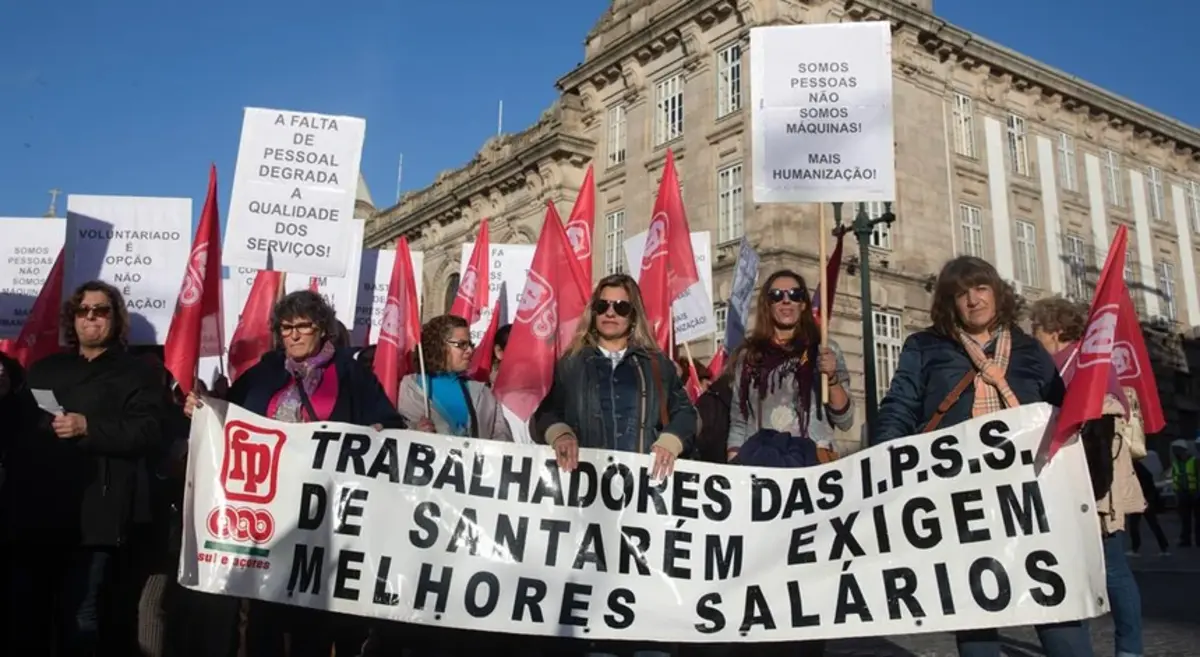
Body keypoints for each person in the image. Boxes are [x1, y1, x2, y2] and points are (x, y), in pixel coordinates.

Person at [874, 257, 1092, 657]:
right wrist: (884, 462)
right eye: (961, 294)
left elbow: (1060, 414)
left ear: (997, 293)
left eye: (981, 289)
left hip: (1029, 495)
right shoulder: (925, 347)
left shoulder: (1029, 350)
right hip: (959, 495)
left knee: (1056, 605)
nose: (973, 300)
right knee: (975, 610)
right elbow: (900, 406)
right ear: (949, 303)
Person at [184, 290, 405, 657]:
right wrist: (202, 407)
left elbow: (389, 424)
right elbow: (229, 419)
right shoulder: (263, 373)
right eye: (286, 328)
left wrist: (379, 431)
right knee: (263, 615)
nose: (294, 335)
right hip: (269, 513)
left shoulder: (351, 374)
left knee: (311, 620)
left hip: (322, 515)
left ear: (323, 330)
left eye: (304, 326)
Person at [532, 273, 696, 657]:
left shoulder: (656, 364)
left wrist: (672, 438)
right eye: (603, 305)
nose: (611, 313)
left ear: (633, 313)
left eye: (620, 306)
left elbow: (687, 412)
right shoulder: (573, 364)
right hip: (589, 503)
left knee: (645, 597)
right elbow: (545, 412)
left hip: (645, 503)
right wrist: (560, 432)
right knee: (594, 600)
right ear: (593, 311)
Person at [2, 280, 168, 657]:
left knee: (81, 618)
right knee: (26, 617)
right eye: (83, 311)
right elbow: (16, 427)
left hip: (97, 519)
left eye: (101, 310)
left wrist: (89, 428)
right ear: (72, 319)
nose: (90, 317)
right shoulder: (45, 369)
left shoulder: (137, 373)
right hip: (37, 515)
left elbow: (148, 431)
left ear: (116, 319)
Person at [1030, 296, 1145, 657]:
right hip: (1074, 474)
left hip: (1097, 477)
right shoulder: (1058, 364)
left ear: (1055, 330)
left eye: (1037, 331)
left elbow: (1108, 410)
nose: (1035, 338)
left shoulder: (1085, 360)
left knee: (1111, 566)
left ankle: (1129, 649)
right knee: (1074, 564)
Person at [726, 269, 853, 472]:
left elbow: (845, 420)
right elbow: (739, 421)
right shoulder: (749, 356)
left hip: (814, 467)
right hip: (762, 465)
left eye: (795, 295)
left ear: (803, 304)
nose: (786, 301)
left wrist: (831, 378)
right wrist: (734, 469)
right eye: (777, 296)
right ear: (767, 305)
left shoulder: (825, 349)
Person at [398, 314, 512, 441]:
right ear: (439, 345)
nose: (469, 350)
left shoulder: (483, 392)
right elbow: (396, 437)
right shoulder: (410, 388)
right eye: (462, 344)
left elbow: (503, 440)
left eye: (470, 344)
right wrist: (414, 434)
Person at [1128, 458, 1170, 557]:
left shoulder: (1134, 467)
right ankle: (1163, 547)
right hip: (1144, 498)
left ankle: (1135, 548)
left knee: (1135, 525)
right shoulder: (1138, 467)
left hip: (1140, 499)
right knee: (1152, 524)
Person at [1169, 439, 1199, 547]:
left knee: (1198, 519)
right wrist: (1177, 492)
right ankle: (1186, 540)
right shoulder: (1176, 463)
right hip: (1183, 494)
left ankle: (1198, 540)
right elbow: (1175, 477)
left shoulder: (1195, 461)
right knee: (1185, 520)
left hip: (1195, 494)